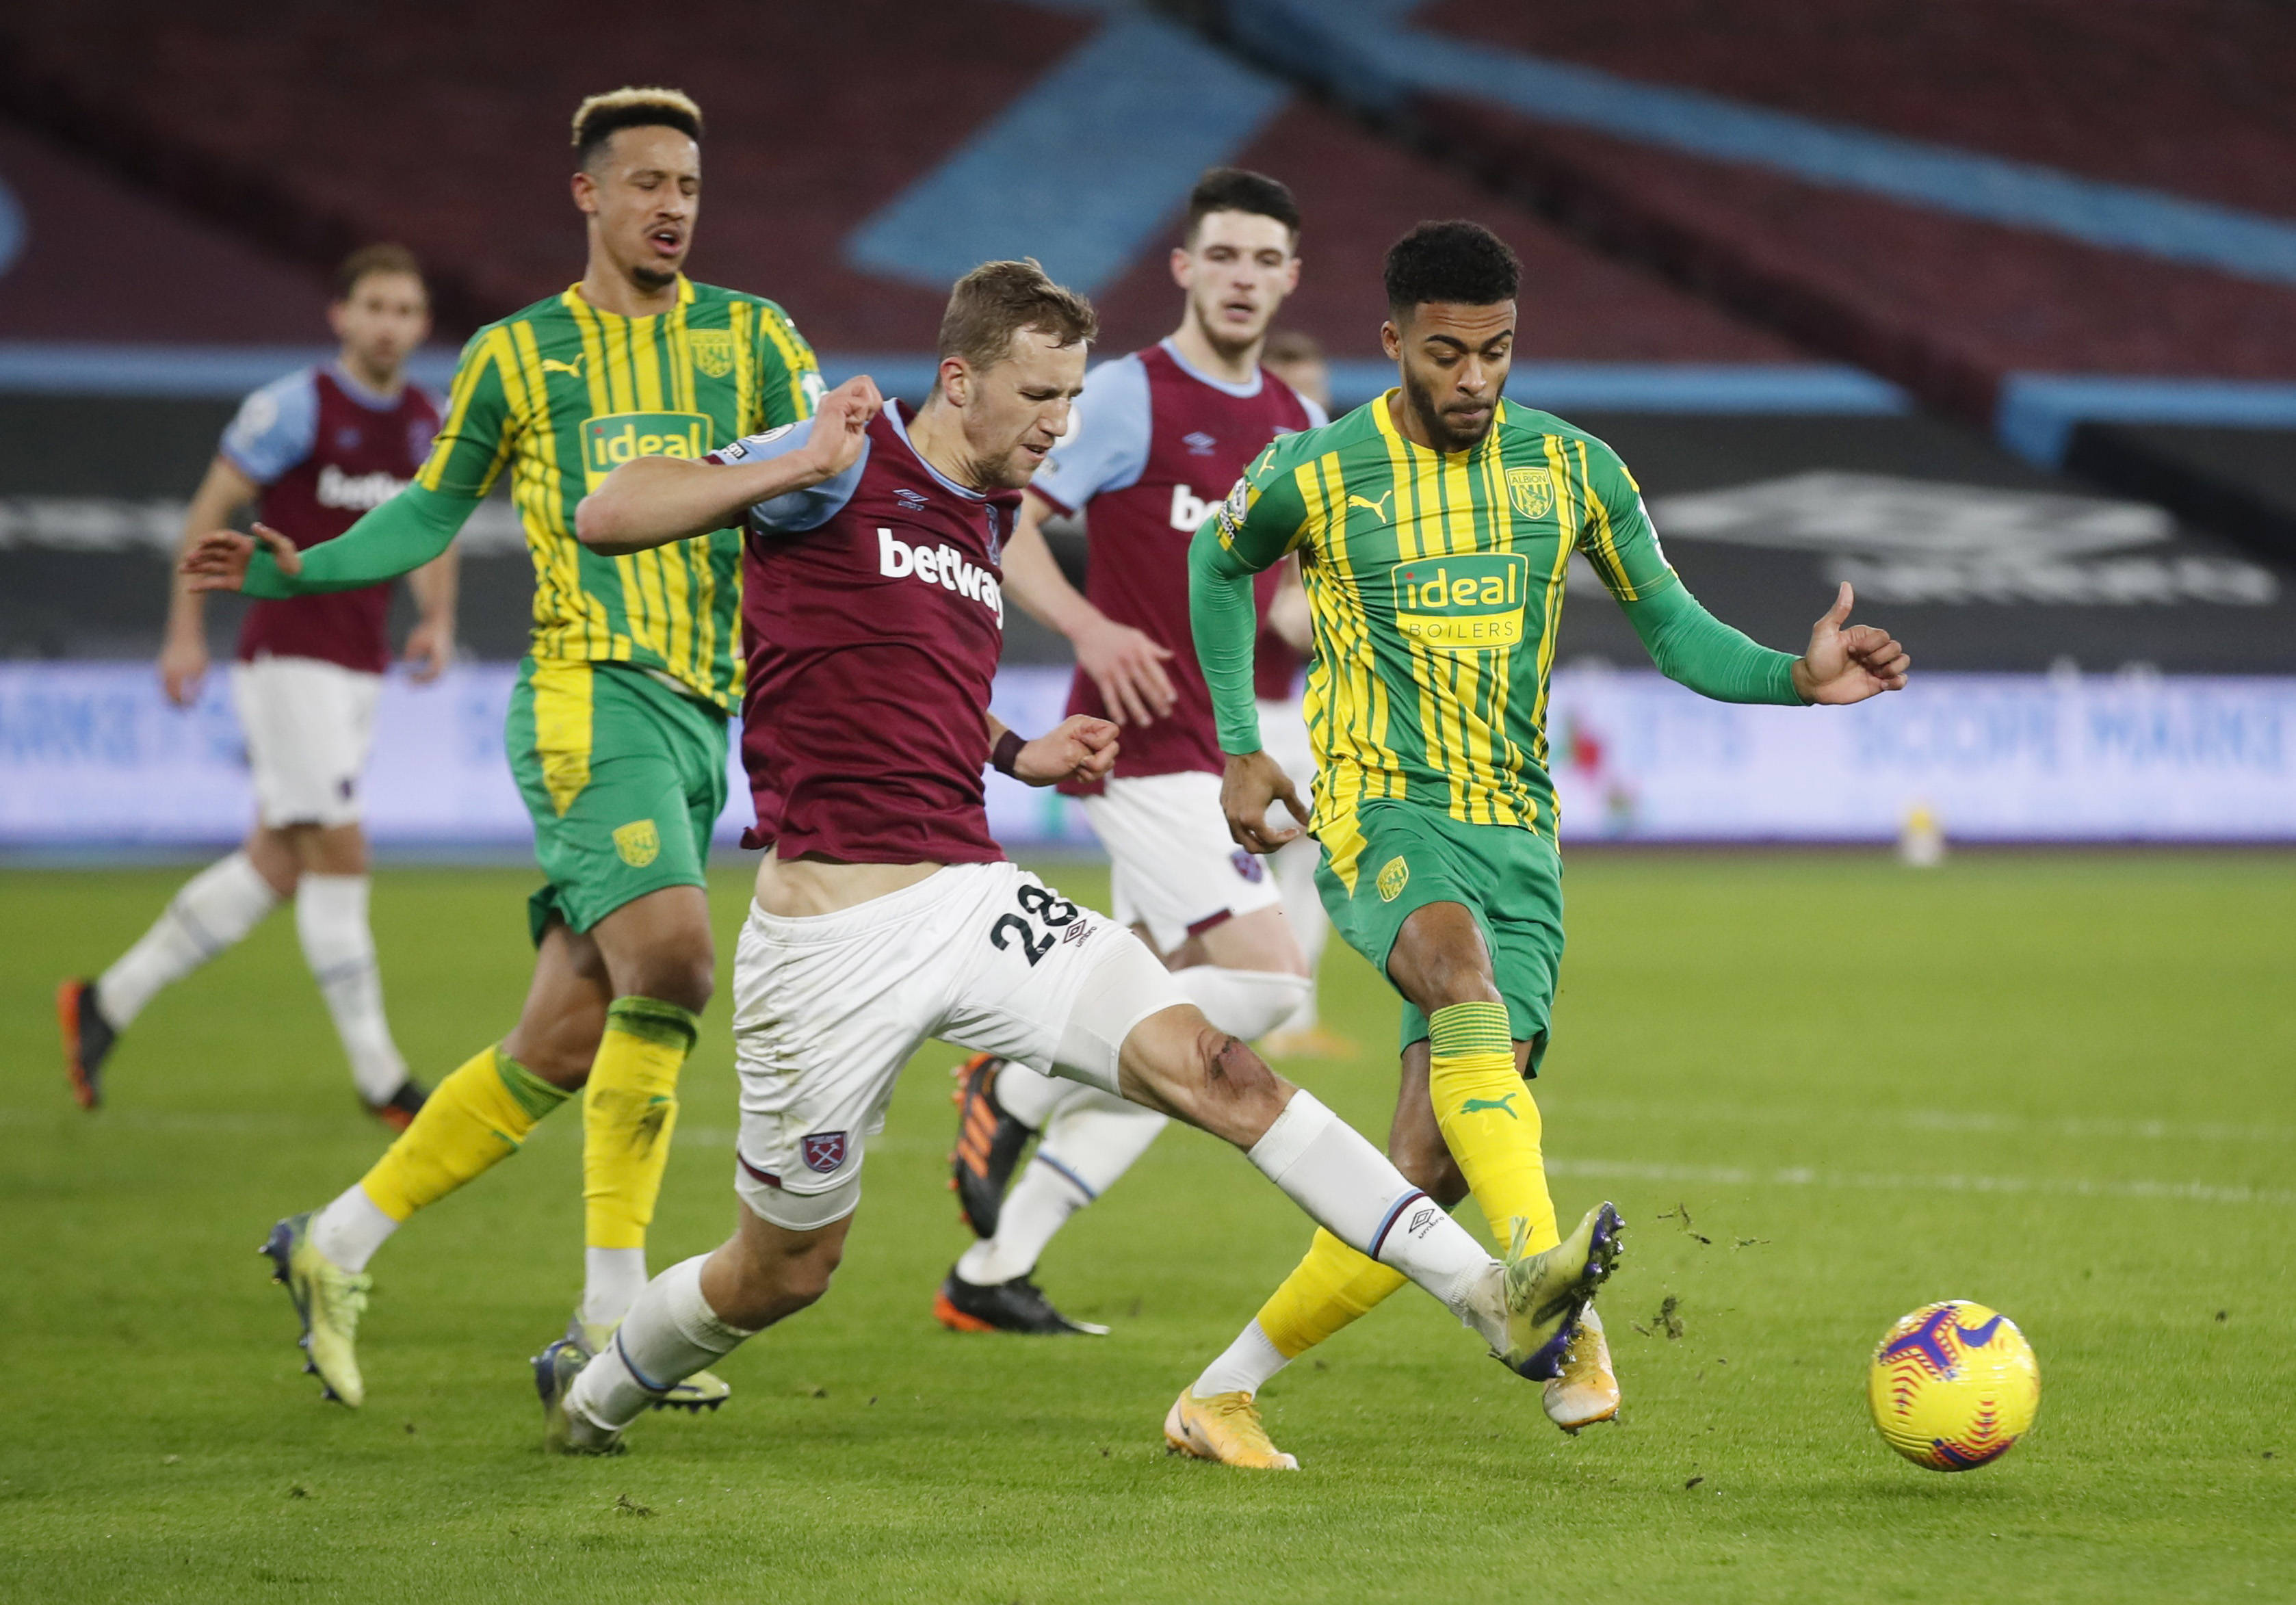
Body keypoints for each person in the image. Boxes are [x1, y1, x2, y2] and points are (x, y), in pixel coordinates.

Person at [536, 258, 1616, 1461]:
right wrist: (794, 461)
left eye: (1072, 399)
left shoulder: (983, 510)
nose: (1061, 427)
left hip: (974, 895)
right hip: (827, 938)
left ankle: (1492, 1296)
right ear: (960, 378)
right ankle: (599, 1390)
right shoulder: (837, 460)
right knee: (782, 1270)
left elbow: (897, 670)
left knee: (1221, 1069)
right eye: (1041, 398)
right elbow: (608, 511)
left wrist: (1015, 748)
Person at [1179, 220, 1912, 1466]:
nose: (1474, 379)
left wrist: (1797, 674)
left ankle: (1220, 1395)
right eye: (1448, 353)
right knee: (1454, 969)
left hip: (1519, 831)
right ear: (1393, 343)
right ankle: (1561, 1320)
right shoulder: (1320, 471)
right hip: (1380, 807)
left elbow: (1674, 631)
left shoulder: (1573, 471)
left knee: (1426, 1165)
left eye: (1498, 352)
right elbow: (1214, 558)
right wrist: (1243, 742)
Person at [180, 86, 822, 1411]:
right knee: (678, 961)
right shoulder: (519, 356)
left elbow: (822, 484)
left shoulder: (756, 340)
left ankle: (335, 1241)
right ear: (585, 194)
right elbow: (425, 520)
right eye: (645, 184)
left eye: (688, 187)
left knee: (568, 1036)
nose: (671, 209)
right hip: (590, 698)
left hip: (703, 714)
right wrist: (303, 576)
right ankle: (611, 1320)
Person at [938, 170, 1326, 1338]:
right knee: (1268, 983)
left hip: (1234, 753)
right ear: (1186, 268)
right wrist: (1094, 625)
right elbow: (1007, 529)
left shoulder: (1299, 427)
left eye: (1267, 259)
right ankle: (1008, 1080)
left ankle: (993, 1272)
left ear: (1290, 277)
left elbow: (1297, 596)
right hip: (1143, 752)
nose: (1245, 278)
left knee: (1166, 1045)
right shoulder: (1126, 396)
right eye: (1226, 257)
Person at [60, 244, 453, 1128]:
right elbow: (208, 516)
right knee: (342, 853)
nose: (390, 323)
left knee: (278, 861)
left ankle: (105, 1001)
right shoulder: (292, 407)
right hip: (287, 658)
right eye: (375, 306)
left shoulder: (429, 419)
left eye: (406, 309)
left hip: (358, 666)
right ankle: (381, 1075)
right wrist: (185, 629)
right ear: (341, 316)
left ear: (422, 325)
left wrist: (435, 616)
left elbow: (431, 530)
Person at [1249, 329, 1353, 1062]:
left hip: (1303, 713)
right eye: (1297, 390)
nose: (1311, 404)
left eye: (1316, 389)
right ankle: (1255, 1009)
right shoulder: (1257, 481)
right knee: (1254, 870)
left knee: (1312, 865)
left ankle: (1287, 1014)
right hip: (1250, 713)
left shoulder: (1327, 472)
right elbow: (1286, 610)